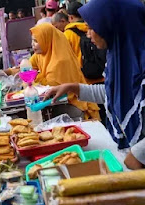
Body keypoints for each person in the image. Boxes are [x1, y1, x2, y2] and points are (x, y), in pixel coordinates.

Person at [44, 0, 145, 170]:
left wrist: (138, 154)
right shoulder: (119, 59)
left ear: (113, 27)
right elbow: (112, 94)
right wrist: (74, 88)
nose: (88, 34)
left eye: (92, 28)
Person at [30, 23, 100, 120]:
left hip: (73, 105)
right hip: (61, 102)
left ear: (46, 40)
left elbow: (50, 86)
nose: (32, 44)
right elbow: (28, 66)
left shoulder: (60, 61)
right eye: (32, 40)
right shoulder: (43, 54)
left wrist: (36, 76)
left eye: (36, 41)